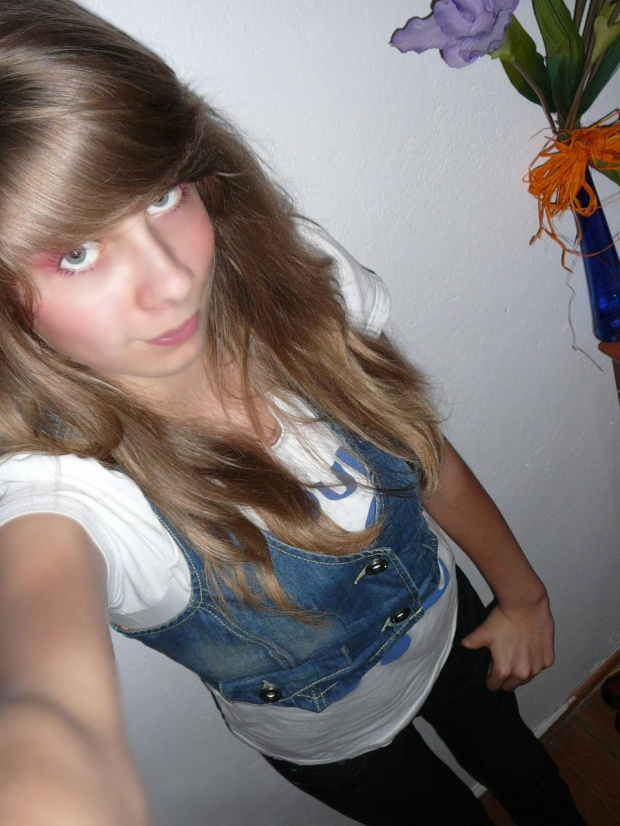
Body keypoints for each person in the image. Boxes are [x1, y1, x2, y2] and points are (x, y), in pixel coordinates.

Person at [0, 2, 585, 824]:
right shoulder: (68, 490)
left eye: (162, 194)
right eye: (76, 252)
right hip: (342, 749)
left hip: (452, 627)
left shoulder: (293, 282)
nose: (172, 278)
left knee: (531, 778)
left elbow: (421, 452)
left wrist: (522, 598)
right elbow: (42, 627)